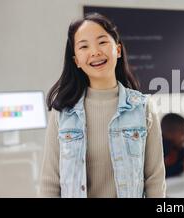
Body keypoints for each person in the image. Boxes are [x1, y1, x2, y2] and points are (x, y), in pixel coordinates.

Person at [40, 13, 166, 198]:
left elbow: (155, 179)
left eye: (102, 42)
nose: (95, 52)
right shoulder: (63, 112)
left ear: (118, 49)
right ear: (76, 61)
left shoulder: (143, 107)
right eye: (84, 46)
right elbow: (49, 182)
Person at [161, 113, 184, 178]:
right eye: (182, 133)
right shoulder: (159, 150)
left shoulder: (182, 150)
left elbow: (179, 170)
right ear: (168, 133)